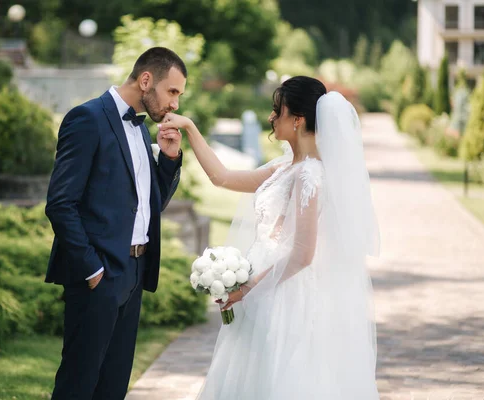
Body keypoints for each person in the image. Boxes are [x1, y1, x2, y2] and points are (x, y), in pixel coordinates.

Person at [158, 76, 380, 399]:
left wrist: (247, 289)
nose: (271, 117)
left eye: (278, 111)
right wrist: (190, 128)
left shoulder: (311, 174)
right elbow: (222, 177)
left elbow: (303, 253)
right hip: (262, 287)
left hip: (285, 297)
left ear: (298, 119)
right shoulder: (286, 166)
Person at [44, 47, 186, 400]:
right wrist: (92, 269)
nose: (175, 105)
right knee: (79, 383)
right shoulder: (87, 118)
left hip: (134, 274)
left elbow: (149, 207)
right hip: (99, 275)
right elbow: (61, 204)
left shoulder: (140, 129)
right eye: (173, 92)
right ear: (146, 79)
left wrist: (168, 160)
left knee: (113, 386)